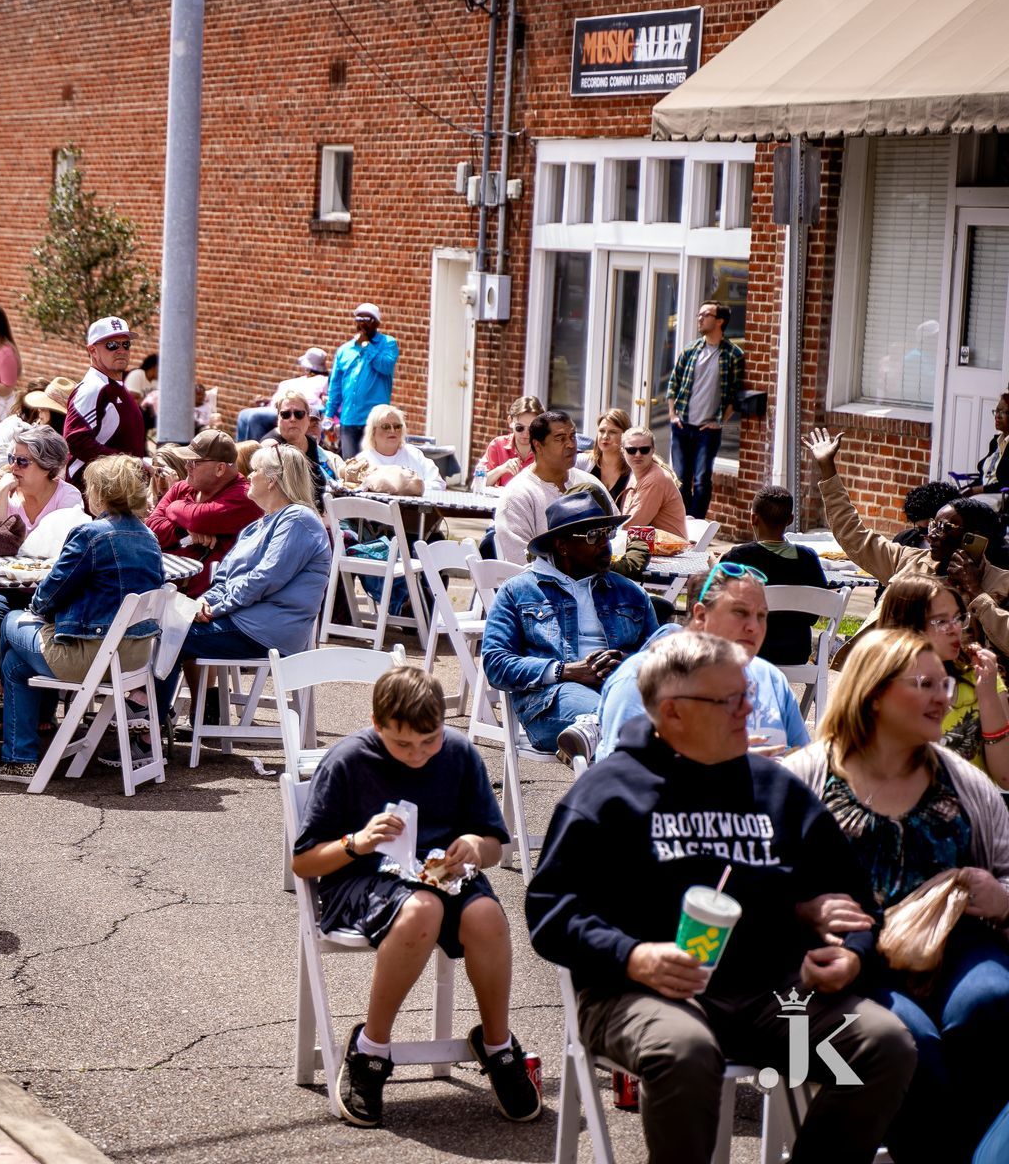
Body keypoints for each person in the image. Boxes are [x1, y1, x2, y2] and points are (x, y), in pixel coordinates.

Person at [525, 630, 917, 1164]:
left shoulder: (776, 791)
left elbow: (855, 901)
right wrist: (632, 955)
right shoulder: (609, 793)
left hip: (774, 995)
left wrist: (851, 954)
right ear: (673, 713)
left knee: (884, 1043)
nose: (749, 709)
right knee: (684, 1051)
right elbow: (549, 912)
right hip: (637, 993)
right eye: (729, 700)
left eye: (746, 694)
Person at [785, 627, 1009, 1162]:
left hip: (955, 943)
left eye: (945, 685)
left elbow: (1006, 870)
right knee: (909, 1042)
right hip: (850, 958)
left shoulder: (962, 780)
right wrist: (806, 908)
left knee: (993, 1005)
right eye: (925, 683)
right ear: (875, 693)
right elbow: (755, 883)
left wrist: (1000, 898)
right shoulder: (805, 778)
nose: (944, 697)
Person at [293, 667, 538, 1129]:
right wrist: (358, 842)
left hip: (444, 875)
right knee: (422, 908)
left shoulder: (459, 752)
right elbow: (304, 862)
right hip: (361, 880)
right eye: (402, 744)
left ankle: (497, 1046)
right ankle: (371, 1050)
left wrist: (473, 848)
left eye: (430, 740)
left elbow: (491, 843)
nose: (418, 754)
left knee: (487, 915)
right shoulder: (347, 760)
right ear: (377, 723)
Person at [0, 454, 165, 783]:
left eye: (90, 487)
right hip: (135, 658)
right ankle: (18, 757)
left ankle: (15, 735)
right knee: (16, 663)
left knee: (10, 619)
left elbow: (50, 594)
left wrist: (39, 613)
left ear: (100, 491)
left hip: (91, 656)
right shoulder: (148, 536)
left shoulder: (90, 533)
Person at [153, 441, 333, 734]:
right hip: (246, 620)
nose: (248, 476)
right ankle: (152, 722)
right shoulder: (260, 525)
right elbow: (224, 578)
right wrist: (201, 603)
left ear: (273, 480)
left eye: (256, 471)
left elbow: (266, 577)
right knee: (164, 626)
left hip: (267, 629)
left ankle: (147, 728)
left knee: (166, 635)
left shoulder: (298, 520)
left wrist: (215, 607)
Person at [480, 490, 657, 753]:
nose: (605, 544)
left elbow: (659, 658)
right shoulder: (519, 591)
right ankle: (610, 733)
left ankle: (602, 735)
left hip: (622, 689)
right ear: (562, 546)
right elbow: (495, 663)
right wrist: (566, 670)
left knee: (672, 633)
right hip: (552, 699)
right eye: (592, 536)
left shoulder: (630, 592)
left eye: (607, 533)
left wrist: (628, 662)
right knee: (634, 723)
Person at [807, 426, 1009, 657]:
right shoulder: (908, 560)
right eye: (933, 524)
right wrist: (827, 469)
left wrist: (976, 592)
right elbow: (854, 535)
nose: (931, 534)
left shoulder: (1001, 584)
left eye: (944, 528)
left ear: (974, 539)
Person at [591, 563, 809, 764]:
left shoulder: (769, 677)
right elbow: (624, 780)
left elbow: (809, 762)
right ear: (701, 615)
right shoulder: (640, 679)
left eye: (761, 616)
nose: (754, 627)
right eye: (740, 612)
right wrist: (723, 769)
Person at [0, 427, 85, 709]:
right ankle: (1, 693)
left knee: (40, 626)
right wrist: (1, 491)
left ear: (46, 466)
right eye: (12, 459)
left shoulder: (68, 498)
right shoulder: (11, 496)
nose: (12, 467)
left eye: (22, 461)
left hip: (51, 591)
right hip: (7, 585)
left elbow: (62, 553)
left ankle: (43, 706)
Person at [871, 573, 1009, 788]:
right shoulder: (880, 688)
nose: (955, 628)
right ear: (907, 626)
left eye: (957, 618)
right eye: (941, 621)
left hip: (973, 812)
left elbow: (1006, 776)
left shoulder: (979, 676)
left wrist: (988, 695)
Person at [723, 484, 831, 667]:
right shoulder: (808, 558)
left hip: (749, 650)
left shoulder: (739, 558)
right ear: (790, 519)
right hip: (795, 652)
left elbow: (719, 603)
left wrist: (713, 566)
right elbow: (814, 615)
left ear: (753, 519)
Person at [148, 428, 263, 599]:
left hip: (208, 604)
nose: (187, 466)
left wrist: (175, 507)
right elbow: (151, 528)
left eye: (194, 462)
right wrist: (184, 532)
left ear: (220, 469)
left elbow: (197, 518)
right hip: (164, 589)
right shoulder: (183, 486)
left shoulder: (245, 496)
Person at [491, 410, 605, 565]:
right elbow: (521, 560)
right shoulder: (517, 495)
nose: (571, 444)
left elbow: (615, 536)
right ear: (538, 446)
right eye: (560, 439)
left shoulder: (589, 483)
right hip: (542, 585)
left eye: (572, 436)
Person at [665, 301, 746, 518]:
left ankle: (697, 525)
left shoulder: (733, 355)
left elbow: (735, 394)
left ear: (720, 321)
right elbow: (673, 383)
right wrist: (673, 415)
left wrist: (720, 422)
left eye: (705, 315)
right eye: (699, 314)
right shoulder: (691, 349)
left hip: (707, 430)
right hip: (682, 426)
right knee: (680, 479)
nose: (700, 318)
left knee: (701, 480)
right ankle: (682, 524)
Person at [64, 316, 148, 486]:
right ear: (93, 351)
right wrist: (128, 463)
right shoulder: (93, 388)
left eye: (126, 344)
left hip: (118, 491)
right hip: (92, 495)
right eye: (112, 345)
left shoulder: (116, 386)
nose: (121, 350)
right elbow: (75, 440)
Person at [323, 303, 399, 460]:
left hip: (375, 421)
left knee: (374, 465)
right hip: (349, 419)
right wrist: (329, 415)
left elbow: (385, 366)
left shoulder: (388, 344)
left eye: (368, 318)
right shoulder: (345, 350)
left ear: (377, 323)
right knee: (350, 465)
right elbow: (336, 385)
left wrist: (366, 345)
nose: (362, 322)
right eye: (359, 318)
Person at [235, 347, 330, 443]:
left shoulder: (324, 380)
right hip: (278, 406)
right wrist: (268, 400)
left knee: (255, 417)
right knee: (244, 414)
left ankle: (254, 452)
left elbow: (324, 400)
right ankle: (241, 453)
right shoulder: (303, 379)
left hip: (292, 411)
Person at [0, 377, 67, 479]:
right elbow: (9, 466)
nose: (38, 410)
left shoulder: (59, 444)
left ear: (55, 414)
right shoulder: (28, 429)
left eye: (44, 408)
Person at [261, 391, 344, 491]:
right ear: (278, 418)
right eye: (285, 414)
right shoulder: (271, 446)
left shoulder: (311, 443)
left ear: (308, 418)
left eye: (299, 414)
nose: (292, 419)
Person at [617, 425, 688, 537]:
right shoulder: (636, 474)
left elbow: (632, 527)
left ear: (653, 450)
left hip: (670, 551)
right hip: (651, 546)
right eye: (631, 450)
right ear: (622, 451)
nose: (638, 454)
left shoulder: (655, 479)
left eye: (644, 450)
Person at [357, 403, 445, 490]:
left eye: (397, 426)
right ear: (373, 432)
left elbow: (439, 483)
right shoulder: (363, 461)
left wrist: (413, 488)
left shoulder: (415, 454)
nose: (392, 431)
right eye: (385, 427)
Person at [476, 396, 545, 490]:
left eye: (532, 429)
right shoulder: (497, 445)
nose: (526, 433)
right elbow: (477, 484)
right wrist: (500, 469)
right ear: (510, 421)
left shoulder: (546, 450)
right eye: (519, 428)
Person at [898, 479, 963, 550]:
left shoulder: (964, 549)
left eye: (935, 527)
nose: (930, 535)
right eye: (921, 530)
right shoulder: (904, 541)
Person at [585, 408, 633, 500]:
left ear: (625, 435)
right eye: (602, 431)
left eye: (613, 432)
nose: (605, 436)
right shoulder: (584, 463)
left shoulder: (633, 470)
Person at [967, 391, 1009, 495]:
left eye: (1002, 412)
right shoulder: (995, 442)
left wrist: (976, 490)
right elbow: (985, 477)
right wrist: (965, 489)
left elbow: (1006, 483)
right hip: (982, 496)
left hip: (999, 499)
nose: (997, 416)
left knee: (949, 511)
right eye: (996, 411)